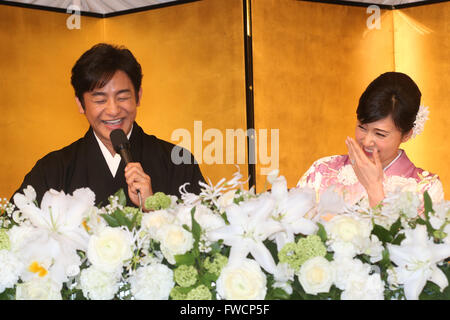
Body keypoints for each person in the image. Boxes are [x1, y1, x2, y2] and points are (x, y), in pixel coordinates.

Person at [12, 43, 205, 209]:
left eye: (122, 97)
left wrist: (154, 209)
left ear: (138, 96)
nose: (113, 110)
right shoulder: (53, 169)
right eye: (100, 99)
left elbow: (204, 239)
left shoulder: (178, 162)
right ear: (81, 104)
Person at [297, 72, 444, 208]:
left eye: (380, 134)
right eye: (362, 127)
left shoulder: (426, 190)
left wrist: (374, 188)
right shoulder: (322, 171)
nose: (366, 142)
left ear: (406, 135)